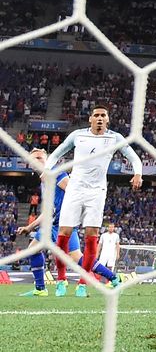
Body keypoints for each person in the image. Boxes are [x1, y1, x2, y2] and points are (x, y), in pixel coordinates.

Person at [45, 105, 142, 297]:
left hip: (97, 192)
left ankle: (83, 283)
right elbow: (57, 153)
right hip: (74, 189)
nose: (99, 118)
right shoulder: (77, 136)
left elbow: (134, 157)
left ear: (107, 120)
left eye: (103, 115)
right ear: (90, 119)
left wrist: (138, 173)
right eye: (96, 115)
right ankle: (61, 280)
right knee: (64, 233)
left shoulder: (115, 138)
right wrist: (48, 169)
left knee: (92, 235)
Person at [16, 148, 116, 297]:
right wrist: (30, 227)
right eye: (34, 159)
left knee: (76, 257)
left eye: (40, 158)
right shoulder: (45, 182)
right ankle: (40, 289)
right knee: (33, 249)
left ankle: (114, 278)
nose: (37, 161)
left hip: (65, 225)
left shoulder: (57, 174)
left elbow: (74, 192)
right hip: (52, 225)